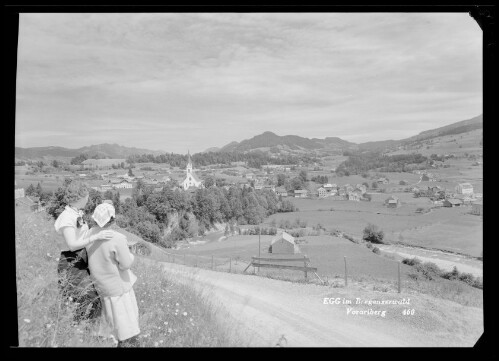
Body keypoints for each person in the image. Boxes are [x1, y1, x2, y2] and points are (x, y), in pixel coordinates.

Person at [53, 180, 114, 323]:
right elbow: (72, 244)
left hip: (79, 259)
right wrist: (96, 237)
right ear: (79, 197)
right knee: (88, 298)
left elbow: (82, 235)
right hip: (71, 262)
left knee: (83, 299)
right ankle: (80, 329)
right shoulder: (67, 217)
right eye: (86, 195)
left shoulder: (75, 213)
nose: (88, 198)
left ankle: (80, 328)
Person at [87, 202, 141, 347]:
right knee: (122, 317)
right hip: (117, 286)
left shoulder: (89, 234)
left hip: (99, 284)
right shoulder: (117, 238)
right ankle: (126, 339)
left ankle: (109, 339)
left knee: (108, 316)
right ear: (112, 219)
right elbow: (125, 265)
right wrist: (131, 256)